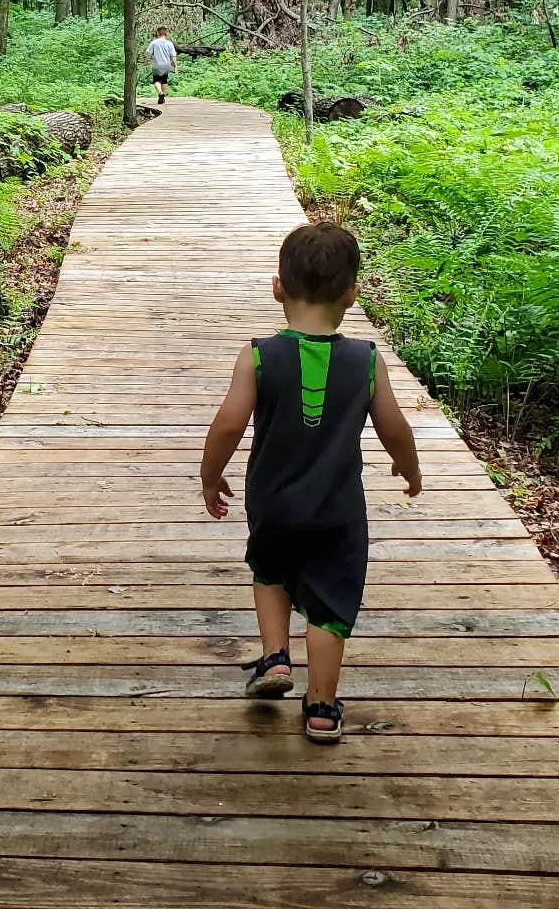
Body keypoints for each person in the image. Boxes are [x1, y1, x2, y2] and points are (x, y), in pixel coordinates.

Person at [199, 223, 422, 741]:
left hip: (272, 501)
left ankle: (275, 656)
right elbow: (394, 426)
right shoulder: (366, 360)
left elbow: (229, 423)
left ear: (278, 287)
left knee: (269, 571)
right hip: (337, 512)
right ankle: (322, 708)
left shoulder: (259, 354)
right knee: (329, 605)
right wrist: (409, 466)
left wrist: (211, 476)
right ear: (351, 294)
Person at [144, 27, 179, 104]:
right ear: (166, 33)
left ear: (158, 33)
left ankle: (160, 92)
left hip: (157, 64)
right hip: (166, 64)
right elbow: (173, 56)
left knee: (156, 80)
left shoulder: (154, 43)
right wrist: (175, 67)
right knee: (164, 81)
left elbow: (148, 54)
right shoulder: (169, 43)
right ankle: (163, 98)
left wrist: (146, 62)